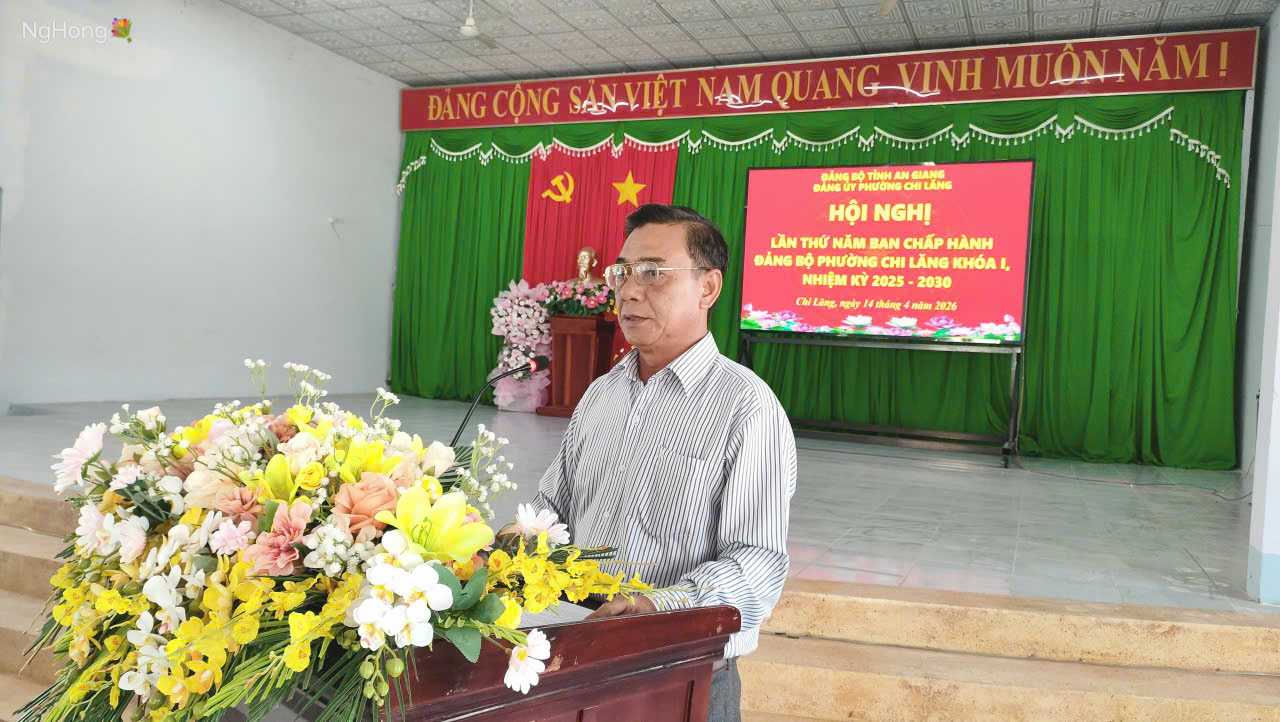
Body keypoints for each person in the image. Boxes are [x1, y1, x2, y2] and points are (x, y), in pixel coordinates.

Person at [530, 203, 797, 722]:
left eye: (653, 273)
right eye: (623, 272)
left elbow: (756, 563)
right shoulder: (601, 395)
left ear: (708, 287)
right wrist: (512, 543)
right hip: (582, 660)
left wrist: (656, 607)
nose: (629, 291)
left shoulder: (746, 408)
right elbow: (553, 506)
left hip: (681, 676)